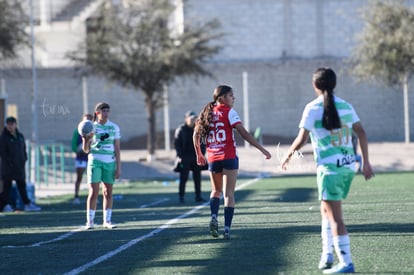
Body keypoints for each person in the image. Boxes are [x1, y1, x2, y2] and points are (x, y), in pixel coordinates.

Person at [281, 68, 374, 274]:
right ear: (334, 84)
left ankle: (346, 263)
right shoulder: (346, 105)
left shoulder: (313, 108)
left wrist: (287, 156)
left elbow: (301, 138)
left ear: (315, 86)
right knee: (326, 210)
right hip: (347, 166)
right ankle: (327, 254)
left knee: (336, 218)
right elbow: (362, 132)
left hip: (330, 170)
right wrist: (366, 162)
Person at [193, 85, 272, 240]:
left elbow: (195, 135)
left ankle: (214, 216)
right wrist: (262, 149)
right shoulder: (229, 112)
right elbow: (244, 133)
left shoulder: (206, 113)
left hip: (213, 158)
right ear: (221, 97)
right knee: (229, 194)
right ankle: (227, 229)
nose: (233, 98)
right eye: (231, 95)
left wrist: (199, 154)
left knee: (216, 190)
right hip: (228, 157)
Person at [82, 102, 121, 229]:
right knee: (93, 192)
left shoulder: (114, 127)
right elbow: (86, 150)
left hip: (109, 162)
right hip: (95, 161)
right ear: (97, 113)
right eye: (103, 111)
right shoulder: (90, 127)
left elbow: (117, 148)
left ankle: (107, 221)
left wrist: (118, 167)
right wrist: (86, 139)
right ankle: (90, 221)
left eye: (108, 111)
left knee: (107, 192)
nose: (106, 113)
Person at [0, 116, 41, 212]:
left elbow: (23, 149)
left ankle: (27, 204)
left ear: (15, 125)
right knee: (7, 187)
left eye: (12, 124)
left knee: (22, 185)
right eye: (8, 124)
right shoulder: (4, 137)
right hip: (8, 167)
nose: (10, 126)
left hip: (19, 166)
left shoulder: (20, 136)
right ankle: (5, 205)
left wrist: (24, 159)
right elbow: (2, 152)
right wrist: (10, 162)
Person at [174, 111, 207, 203]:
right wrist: (179, 156)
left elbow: (202, 143)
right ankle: (181, 196)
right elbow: (177, 144)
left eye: (194, 118)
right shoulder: (181, 129)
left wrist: (202, 154)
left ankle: (198, 196)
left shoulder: (198, 129)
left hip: (196, 156)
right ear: (186, 119)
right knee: (183, 178)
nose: (193, 120)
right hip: (184, 157)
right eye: (191, 118)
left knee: (197, 177)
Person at [71, 113, 93, 204]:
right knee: (79, 177)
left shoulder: (94, 131)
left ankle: (93, 195)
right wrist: (77, 150)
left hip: (91, 157)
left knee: (93, 178)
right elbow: (73, 144)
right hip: (81, 157)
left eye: (89, 120)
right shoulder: (78, 131)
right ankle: (76, 196)